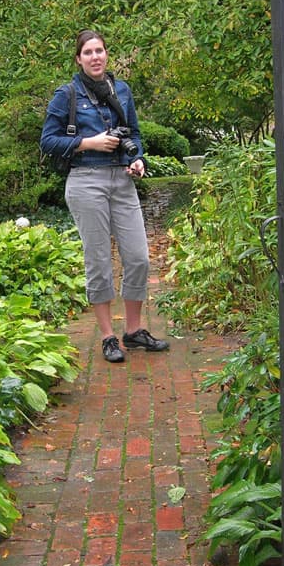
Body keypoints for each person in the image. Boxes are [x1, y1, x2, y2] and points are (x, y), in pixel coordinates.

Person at [40, 29, 170, 363]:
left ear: (106, 54)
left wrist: (137, 158)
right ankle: (108, 337)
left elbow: (135, 134)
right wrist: (88, 143)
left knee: (139, 257)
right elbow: (48, 142)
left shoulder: (121, 90)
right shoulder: (66, 95)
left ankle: (134, 330)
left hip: (122, 180)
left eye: (100, 51)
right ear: (78, 59)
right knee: (98, 261)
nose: (95, 57)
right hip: (86, 181)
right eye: (88, 52)